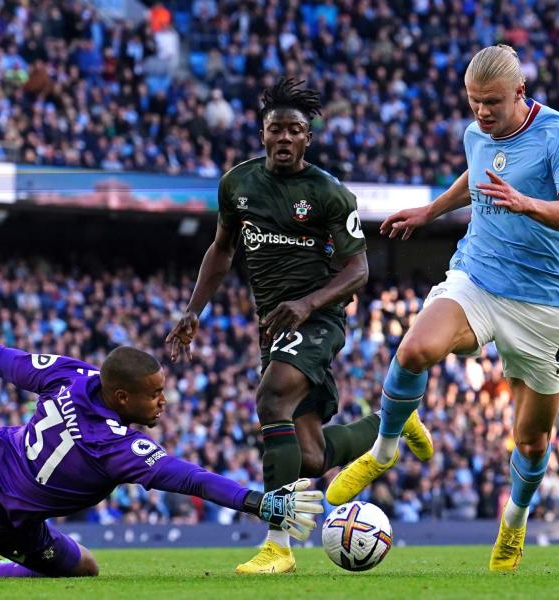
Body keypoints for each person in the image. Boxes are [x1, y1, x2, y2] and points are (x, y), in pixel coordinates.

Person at [325, 45, 559, 573]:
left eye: (493, 102)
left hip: (542, 305)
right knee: (413, 350)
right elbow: (474, 176)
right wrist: (431, 210)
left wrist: (527, 203)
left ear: (521, 93)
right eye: (474, 102)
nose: (482, 113)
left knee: (532, 438)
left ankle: (514, 522)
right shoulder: (477, 132)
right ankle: (383, 450)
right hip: (478, 275)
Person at [0, 264, 323, 578]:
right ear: (121, 397)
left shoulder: (72, 374)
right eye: (154, 395)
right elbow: (192, 479)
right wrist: (258, 502)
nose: (163, 402)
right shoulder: (117, 449)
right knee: (85, 567)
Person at [165, 77, 434, 574]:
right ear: (262, 133)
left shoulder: (330, 194)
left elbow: (358, 271)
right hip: (273, 325)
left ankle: (278, 545)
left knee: (271, 400)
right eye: (275, 130)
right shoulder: (238, 184)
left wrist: (309, 304)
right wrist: (192, 310)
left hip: (318, 316)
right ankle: (389, 426)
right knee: (310, 458)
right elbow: (222, 250)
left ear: (308, 137)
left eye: (294, 130)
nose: (284, 138)